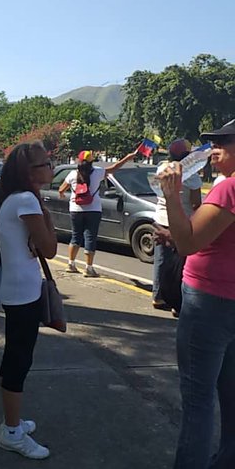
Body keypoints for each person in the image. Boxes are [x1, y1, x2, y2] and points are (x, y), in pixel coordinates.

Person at [159, 119, 235, 469]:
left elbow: (189, 243)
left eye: (225, 141)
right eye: (212, 141)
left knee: (198, 401)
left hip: (209, 304)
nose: (214, 147)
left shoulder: (227, 190)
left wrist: (171, 195)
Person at [0, 141, 56, 460]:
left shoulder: (15, 198)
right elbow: (50, 249)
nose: (51, 167)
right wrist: (46, 215)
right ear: (29, 172)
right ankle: (12, 430)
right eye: (46, 163)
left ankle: (12, 422)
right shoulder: (27, 201)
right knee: (19, 360)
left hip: (18, 288)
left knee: (16, 356)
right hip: (22, 292)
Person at [59, 149, 138, 277]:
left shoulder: (73, 174)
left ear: (78, 161)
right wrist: (127, 157)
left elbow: (61, 188)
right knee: (90, 237)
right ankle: (89, 268)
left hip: (75, 209)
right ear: (91, 162)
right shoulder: (98, 172)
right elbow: (114, 167)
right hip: (93, 210)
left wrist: (63, 194)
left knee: (75, 236)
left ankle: (71, 264)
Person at [151, 139, 201, 314]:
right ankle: (176, 302)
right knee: (180, 264)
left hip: (160, 217)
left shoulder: (161, 169)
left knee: (161, 260)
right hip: (180, 221)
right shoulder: (191, 175)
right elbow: (196, 203)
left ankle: (158, 295)